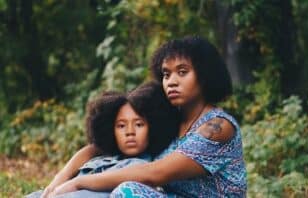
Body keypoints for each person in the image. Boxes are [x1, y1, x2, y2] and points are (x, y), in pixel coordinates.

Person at [46, 35, 247, 197]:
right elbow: (98, 148)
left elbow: (154, 174)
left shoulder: (218, 127)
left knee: (129, 191)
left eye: (182, 72)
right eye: (166, 74)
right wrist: (62, 177)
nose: (171, 82)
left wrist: (79, 182)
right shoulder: (172, 119)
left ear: (205, 76)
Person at [26, 81, 179, 198]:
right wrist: (60, 179)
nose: (130, 132)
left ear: (153, 128)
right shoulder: (102, 157)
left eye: (139, 124)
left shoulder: (142, 168)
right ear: (110, 130)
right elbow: (90, 149)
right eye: (121, 126)